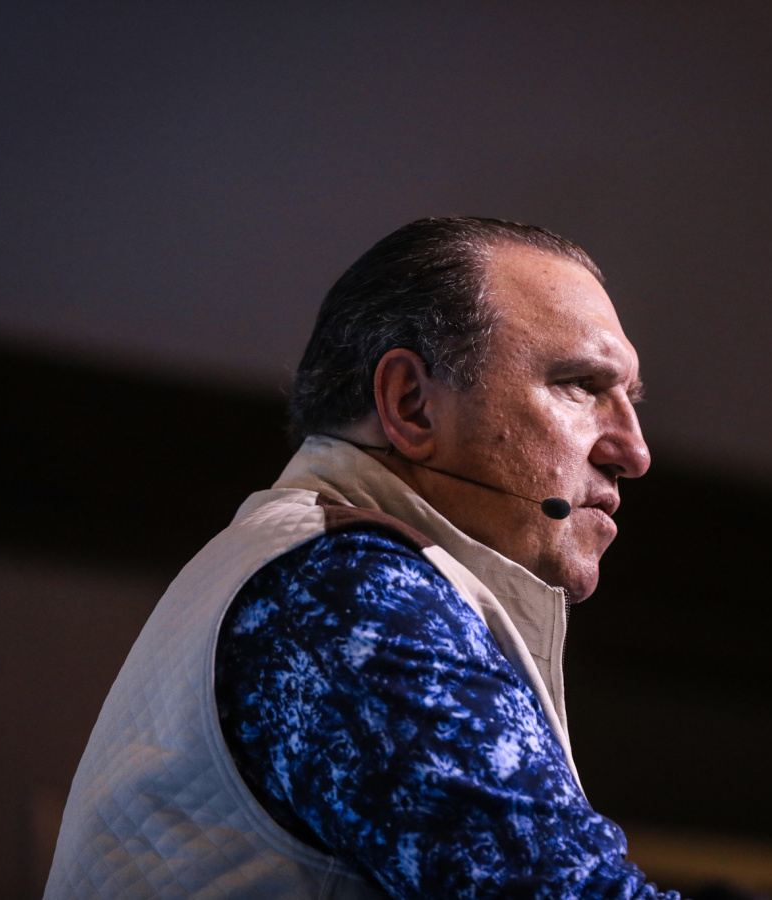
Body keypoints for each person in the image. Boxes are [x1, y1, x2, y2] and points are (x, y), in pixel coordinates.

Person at [46, 217, 680, 899]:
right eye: (581, 385)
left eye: (630, 400)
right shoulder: (348, 593)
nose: (634, 452)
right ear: (411, 405)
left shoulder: (305, 570)